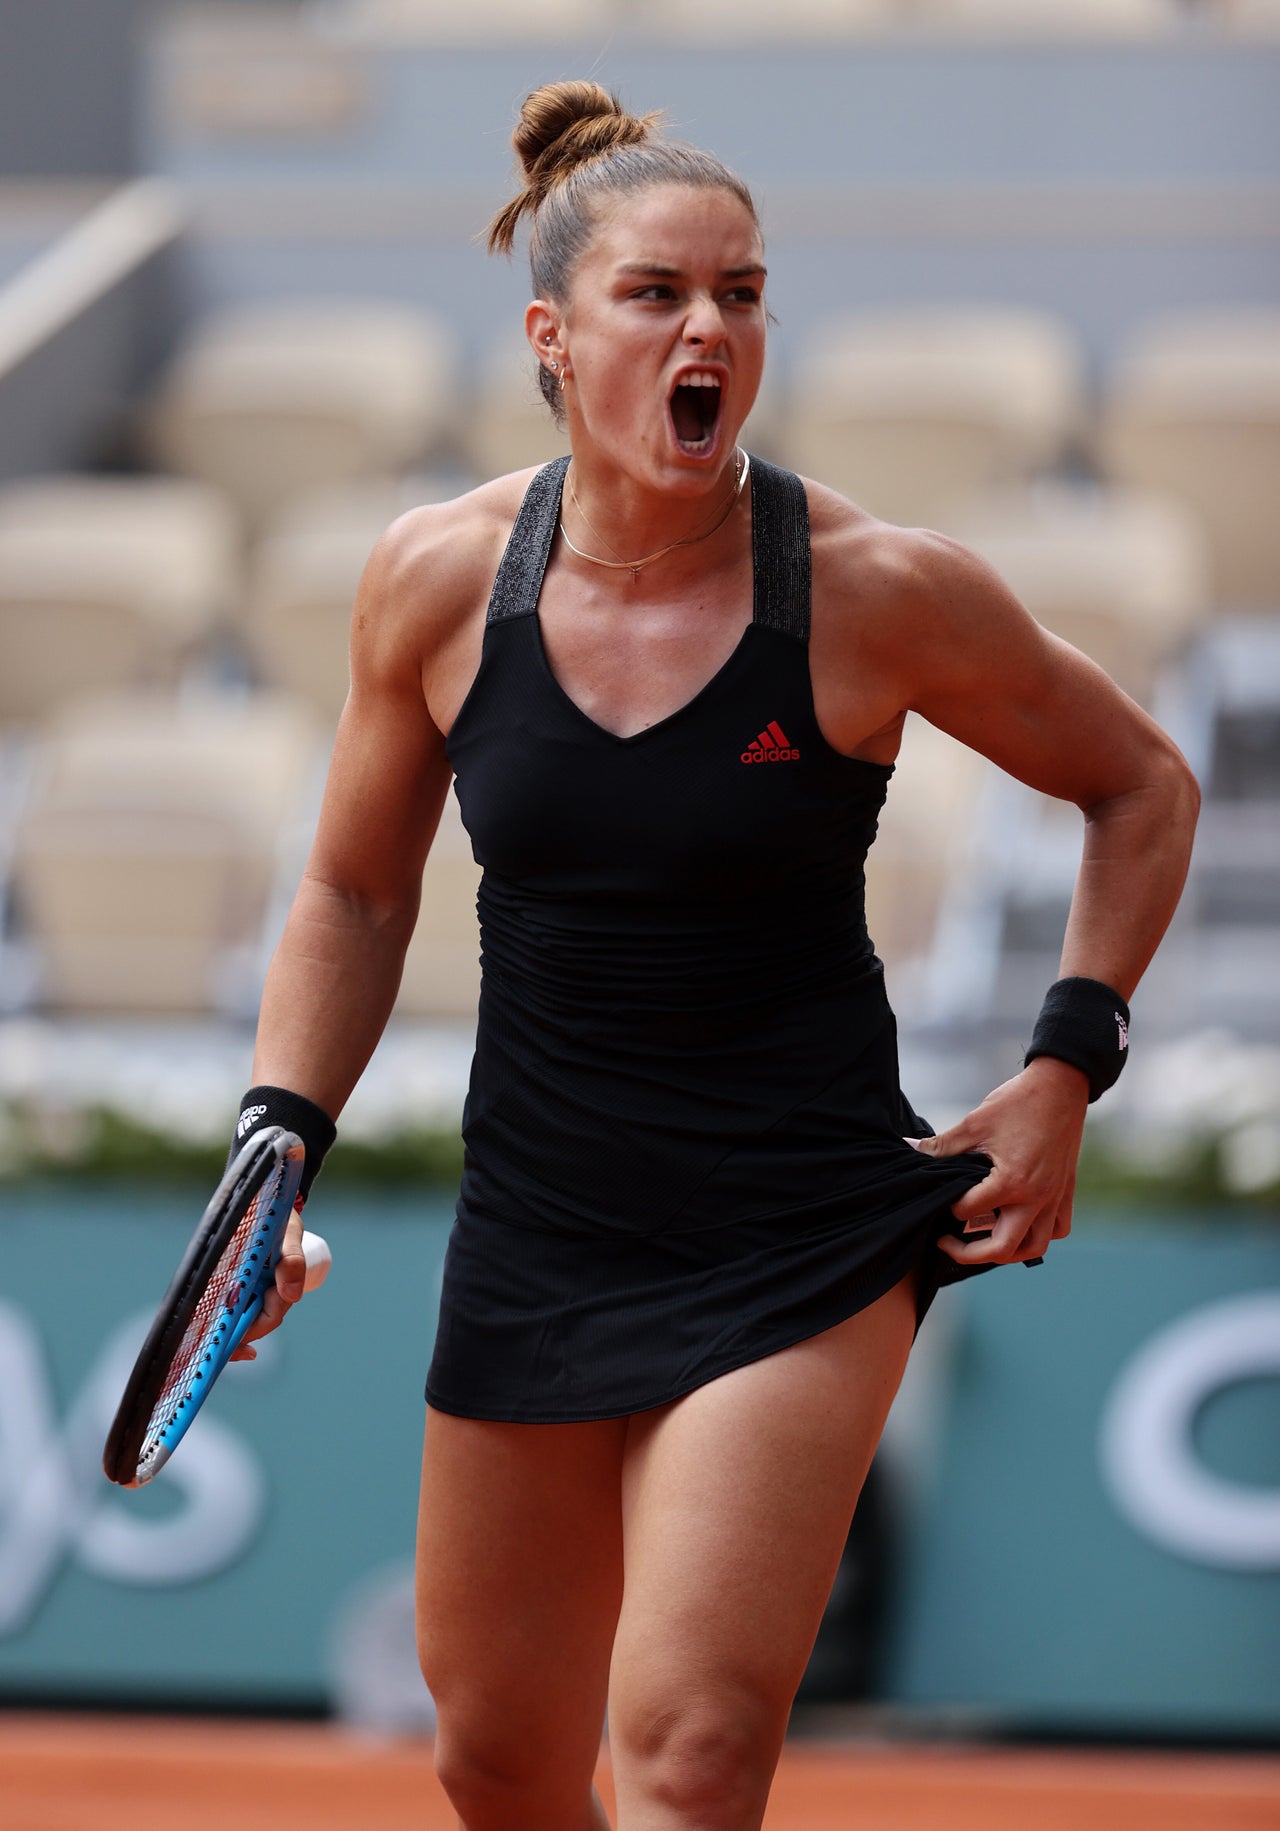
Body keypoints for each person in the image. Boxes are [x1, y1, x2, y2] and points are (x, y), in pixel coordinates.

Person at [228, 82, 1199, 1831]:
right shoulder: (436, 580)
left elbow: (1141, 784)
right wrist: (275, 1130)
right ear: (553, 333)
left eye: (742, 294)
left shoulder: (878, 587)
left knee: (685, 1747)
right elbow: (356, 896)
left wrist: (1067, 1069)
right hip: (537, 1225)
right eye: (659, 294)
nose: (713, 330)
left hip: (797, 1233)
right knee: (502, 1759)